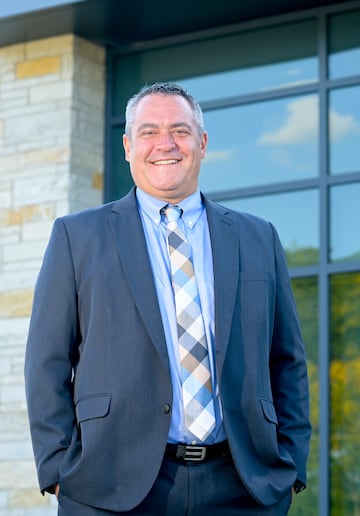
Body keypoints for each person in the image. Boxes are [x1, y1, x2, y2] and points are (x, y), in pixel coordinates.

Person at [24, 82, 311, 515]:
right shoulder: (77, 237)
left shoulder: (258, 237)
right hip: (110, 486)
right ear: (127, 146)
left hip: (244, 486)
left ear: (202, 142)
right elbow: (46, 362)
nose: (165, 144)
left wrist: (290, 466)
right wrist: (59, 468)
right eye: (148, 132)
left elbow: (286, 360)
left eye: (179, 130)